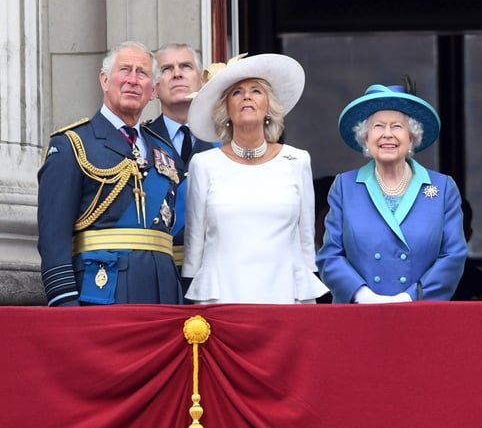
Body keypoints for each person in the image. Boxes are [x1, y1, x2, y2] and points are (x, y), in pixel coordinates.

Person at [37, 41, 184, 306]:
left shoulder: (165, 151)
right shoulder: (72, 144)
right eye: (124, 70)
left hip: (163, 296)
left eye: (142, 73)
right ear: (104, 80)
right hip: (101, 293)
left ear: (153, 91)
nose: (132, 80)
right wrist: (64, 302)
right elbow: (53, 237)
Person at [182, 53, 328, 303]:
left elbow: (306, 245)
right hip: (222, 298)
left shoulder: (297, 160)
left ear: (269, 106)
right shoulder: (204, 164)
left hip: (284, 295)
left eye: (256, 90)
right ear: (225, 110)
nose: (247, 96)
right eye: (237, 92)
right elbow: (195, 245)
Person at [316, 83, 468, 303]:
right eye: (378, 126)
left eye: (397, 126)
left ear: (412, 137)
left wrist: (410, 297)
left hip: (421, 314)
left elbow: (453, 256)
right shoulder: (345, 186)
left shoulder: (443, 188)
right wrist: (362, 295)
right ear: (366, 138)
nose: (387, 134)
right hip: (358, 315)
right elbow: (330, 256)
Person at [145, 43, 215, 270]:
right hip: (160, 271)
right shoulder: (140, 142)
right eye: (166, 69)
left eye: (186, 66)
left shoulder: (224, 142)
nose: (177, 73)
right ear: (154, 89)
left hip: (213, 271)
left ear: (202, 82)